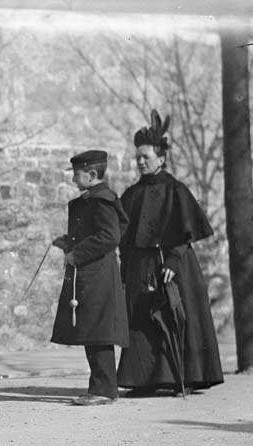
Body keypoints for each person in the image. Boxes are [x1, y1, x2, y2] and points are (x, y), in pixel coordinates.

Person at [117, 110, 224, 396]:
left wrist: (174, 261)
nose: (140, 162)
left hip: (172, 264)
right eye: (137, 157)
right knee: (140, 321)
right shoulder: (130, 195)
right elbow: (124, 241)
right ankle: (143, 381)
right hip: (140, 268)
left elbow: (183, 233)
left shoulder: (176, 190)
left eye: (146, 157)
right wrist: (123, 272)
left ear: (161, 159)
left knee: (178, 315)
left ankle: (183, 377)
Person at [50, 150, 129, 406]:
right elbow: (107, 231)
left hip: (98, 275)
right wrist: (69, 243)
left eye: (77, 174)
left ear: (92, 174)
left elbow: (111, 236)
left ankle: (104, 390)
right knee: (91, 330)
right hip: (91, 274)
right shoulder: (93, 200)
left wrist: (78, 253)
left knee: (99, 331)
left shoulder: (102, 200)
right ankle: (99, 388)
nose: (73, 179)